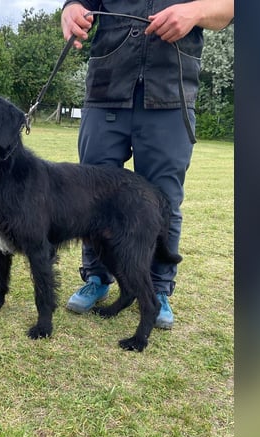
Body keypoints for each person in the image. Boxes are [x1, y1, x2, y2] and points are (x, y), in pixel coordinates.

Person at [61, 0, 234, 328]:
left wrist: (195, 12)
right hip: (106, 87)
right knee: (89, 195)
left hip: (171, 93)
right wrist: (70, 10)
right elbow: (80, 2)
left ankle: (157, 287)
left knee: (164, 199)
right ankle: (97, 278)